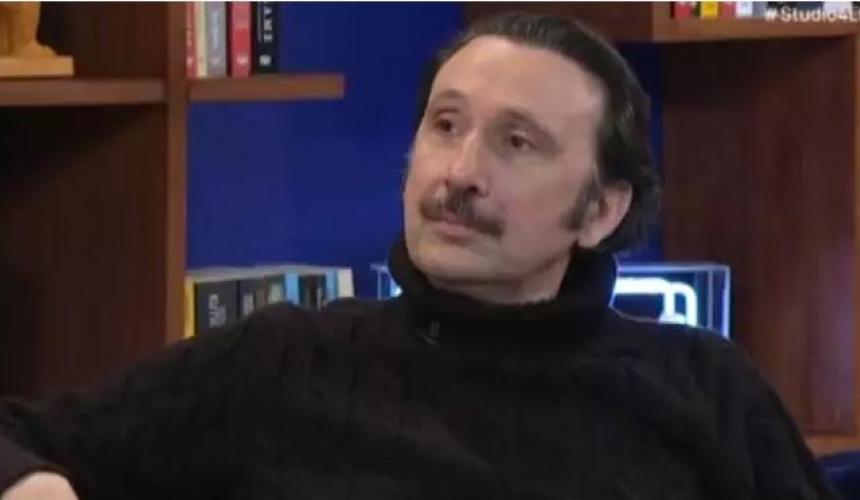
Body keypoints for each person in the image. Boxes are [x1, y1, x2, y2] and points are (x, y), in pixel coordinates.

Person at [0, 11, 837, 500]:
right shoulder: (284, 363)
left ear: (601, 209)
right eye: (445, 125)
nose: (460, 172)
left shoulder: (704, 388)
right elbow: (20, 435)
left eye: (517, 142)